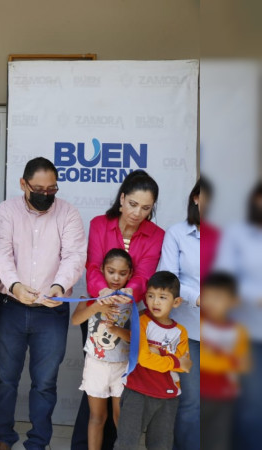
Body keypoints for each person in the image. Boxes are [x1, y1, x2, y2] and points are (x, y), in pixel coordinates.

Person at [0, 157, 86, 450]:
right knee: (6, 378)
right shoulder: (6, 211)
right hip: (10, 308)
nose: (46, 195)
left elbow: (74, 256)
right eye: (39, 189)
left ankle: (38, 443)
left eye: (51, 189)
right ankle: (3, 438)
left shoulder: (68, 214)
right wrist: (15, 286)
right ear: (24, 184)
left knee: (44, 383)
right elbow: (2, 254)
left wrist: (58, 287)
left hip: (51, 311)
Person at [72, 169, 165, 450]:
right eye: (133, 204)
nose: (138, 213)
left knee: (123, 395)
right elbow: (92, 265)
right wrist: (102, 290)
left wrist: (126, 293)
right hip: (96, 313)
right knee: (95, 386)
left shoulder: (156, 234)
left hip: (130, 318)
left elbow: (144, 275)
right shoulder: (100, 224)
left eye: (146, 208)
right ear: (122, 199)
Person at [114, 271, 192, 450]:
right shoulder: (141, 323)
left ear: (176, 302)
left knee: (161, 445)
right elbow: (144, 359)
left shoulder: (181, 332)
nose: (155, 302)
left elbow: (185, 366)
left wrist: (158, 352)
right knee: (126, 444)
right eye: (151, 296)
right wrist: (174, 361)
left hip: (168, 396)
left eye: (163, 297)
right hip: (137, 392)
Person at [213, 181, 262, 449]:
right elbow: (224, 278)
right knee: (252, 407)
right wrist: (255, 296)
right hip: (248, 333)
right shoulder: (238, 234)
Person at [70, 249, 133, 450]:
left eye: (123, 273)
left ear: (130, 274)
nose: (116, 277)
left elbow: (136, 339)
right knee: (96, 417)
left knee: (120, 417)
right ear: (102, 270)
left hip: (122, 367)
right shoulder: (88, 296)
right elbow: (75, 320)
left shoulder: (131, 302)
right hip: (96, 365)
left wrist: (115, 329)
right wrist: (97, 306)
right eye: (111, 271)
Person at [157, 179, 203, 450]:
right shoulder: (177, 233)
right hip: (189, 330)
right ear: (196, 198)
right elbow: (168, 278)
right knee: (191, 402)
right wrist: (198, 297)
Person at [200, 272, 250, 450]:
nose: (212, 302)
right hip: (200, 393)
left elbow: (244, 365)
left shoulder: (238, 331)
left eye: (219, 297)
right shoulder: (200, 325)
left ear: (234, 301)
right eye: (208, 296)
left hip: (224, 397)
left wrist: (219, 358)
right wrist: (228, 361)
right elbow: (201, 360)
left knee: (218, 442)